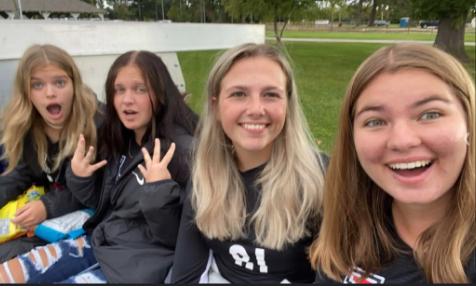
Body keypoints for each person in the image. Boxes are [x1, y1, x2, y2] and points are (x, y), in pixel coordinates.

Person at [0, 50, 198, 283]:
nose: (127, 99)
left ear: (161, 93)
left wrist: (159, 192)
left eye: (140, 89)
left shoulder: (183, 152)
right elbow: (101, 202)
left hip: (139, 262)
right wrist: (79, 176)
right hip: (101, 239)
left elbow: (181, 239)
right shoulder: (120, 137)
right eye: (119, 90)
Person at [309, 43, 476, 284]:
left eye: (430, 115)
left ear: (469, 122)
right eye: (375, 121)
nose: (402, 141)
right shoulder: (349, 230)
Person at [171, 43, 329, 284]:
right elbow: (185, 274)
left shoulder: (322, 177)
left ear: (287, 105)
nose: (256, 109)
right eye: (238, 94)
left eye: (271, 94)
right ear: (216, 108)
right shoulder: (206, 172)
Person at [0, 44, 101, 263]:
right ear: (26, 92)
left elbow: (99, 191)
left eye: (60, 82)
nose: (50, 93)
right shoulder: (28, 125)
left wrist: (47, 206)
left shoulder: (96, 124)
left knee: (8, 257)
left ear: (74, 84)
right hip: (46, 214)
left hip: (88, 219)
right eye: (37, 85)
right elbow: (18, 173)